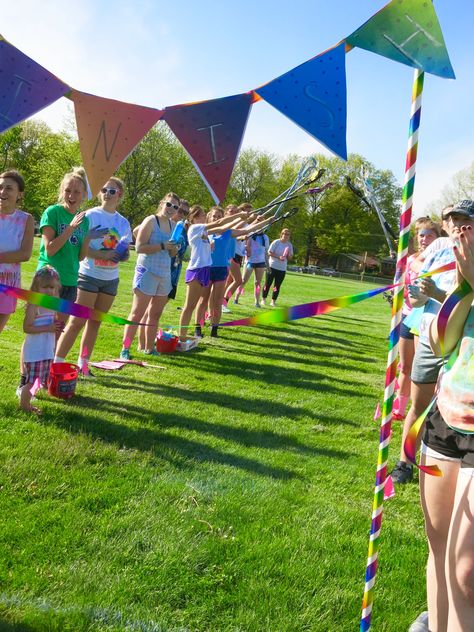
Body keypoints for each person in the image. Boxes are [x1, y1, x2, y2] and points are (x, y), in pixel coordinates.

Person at [412, 202, 474, 632]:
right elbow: (440, 343)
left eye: (468, 224)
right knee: (438, 550)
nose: (461, 233)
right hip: (444, 425)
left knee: (467, 573)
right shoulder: (454, 270)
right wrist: (451, 295)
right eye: (459, 225)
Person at [391, 207, 458, 484]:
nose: (457, 225)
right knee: (418, 406)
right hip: (430, 341)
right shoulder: (439, 247)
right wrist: (415, 293)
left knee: (451, 411)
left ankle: (448, 464)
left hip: (462, 346)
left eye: (465, 220)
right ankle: (405, 462)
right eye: (452, 220)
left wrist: (439, 293)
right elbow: (418, 299)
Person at [54, 178, 132, 375]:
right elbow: (79, 247)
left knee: (95, 322)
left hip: (110, 280)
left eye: (112, 191)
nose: (107, 193)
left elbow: (127, 253)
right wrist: (102, 255)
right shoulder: (89, 215)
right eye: (104, 189)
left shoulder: (123, 223)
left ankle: (84, 364)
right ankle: (57, 363)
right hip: (88, 275)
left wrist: (122, 254)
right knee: (77, 321)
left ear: (120, 194)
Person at [178, 205, 256, 343]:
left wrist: (243, 219)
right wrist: (239, 216)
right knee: (191, 305)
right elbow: (220, 225)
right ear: (194, 218)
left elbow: (222, 228)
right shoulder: (195, 228)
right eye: (203, 215)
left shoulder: (204, 233)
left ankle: (189, 335)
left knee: (198, 303)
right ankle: (183, 336)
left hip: (205, 269)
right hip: (196, 270)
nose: (205, 217)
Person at [194, 206, 271, 338]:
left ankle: (214, 329)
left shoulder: (228, 232)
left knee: (217, 301)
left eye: (219, 216)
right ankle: (198, 328)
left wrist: (267, 221)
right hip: (207, 268)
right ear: (209, 217)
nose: (217, 218)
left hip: (222, 269)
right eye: (214, 216)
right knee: (203, 300)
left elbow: (248, 229)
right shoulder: (205, 230)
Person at [119, 192, 179, 359]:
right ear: (162, 203)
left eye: (175, 207)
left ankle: (149, 348)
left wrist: (174, 248)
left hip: (164, 274)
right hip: (147, 271)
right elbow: (139, 247)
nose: (171, 209)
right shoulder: (151, 220)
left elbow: (173, 252)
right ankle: (125, 349)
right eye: (169, 204)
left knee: (155, 314)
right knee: (137, 313)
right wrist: (161, 245)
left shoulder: (174, 226)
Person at [392, 218, 441, 421]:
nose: (425, 238)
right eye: (421, 234)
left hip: (427, 319)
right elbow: (403, 286)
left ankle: (420, 407)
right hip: (407, 315)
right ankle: (399, 408)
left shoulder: (441, 260)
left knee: (423, 370)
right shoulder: (411, 259)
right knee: (405, 365)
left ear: (438, 238)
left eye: (430, 234)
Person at [37, 167, 90, 303]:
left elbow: (80, 257)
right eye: (67, 191)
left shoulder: (84, 220)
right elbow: (50, 250)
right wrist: (70, 228)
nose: (71, 196)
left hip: (70, 281)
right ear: (62, 191)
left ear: (84, 194)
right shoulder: (53, 212)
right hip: (48, 278)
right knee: (40, 323)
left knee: (60, 325)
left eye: (77, 192)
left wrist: (88, 239)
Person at [19, 266, 63, 414]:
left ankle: (27, 403)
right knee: (32, 381)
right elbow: (27, 328)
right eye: (45, 287)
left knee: (39, 380)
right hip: (35, 351)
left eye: (52, 288)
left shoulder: (51, 306)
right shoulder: (34, 306)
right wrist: (48, 328)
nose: (49, 291)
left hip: (46, 350)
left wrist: (56, 326)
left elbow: (51, 324)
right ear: (36, 288)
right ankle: (24, 405)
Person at [0, 170, 34, 335]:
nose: (2, 192)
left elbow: (25, 254)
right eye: (0, 187)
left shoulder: (26, 219)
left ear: (19, 194)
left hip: (8, 284)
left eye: (8, 188)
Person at [222, 202, 252, 312]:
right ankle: (223, 302)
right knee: (238, 280)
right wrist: (242, 236)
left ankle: (223, 303)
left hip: (239, 254)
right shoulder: (239, 222)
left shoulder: (245, 223)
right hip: (232, 254)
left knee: (228, 282)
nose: (249, 213)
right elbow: (232, 234)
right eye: (247, 211)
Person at [236, 230, 269, 308]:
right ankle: (236, 298)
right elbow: (244, 247)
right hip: (250, 261)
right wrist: (247, 250)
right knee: (243, 281)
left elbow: (266, 251)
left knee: (257, 283)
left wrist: (267, 265)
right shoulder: (250, 235)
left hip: (261, 263)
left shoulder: (265, 237)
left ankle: (256, 302)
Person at [262, 228, 294, 307]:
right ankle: (263, 299)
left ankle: (273, 301)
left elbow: (290, 258)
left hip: (282, 268)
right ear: (281, 234)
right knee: (267, 284)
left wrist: (289, 255)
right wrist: (278, 257)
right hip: (272, 266)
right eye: (285, 234)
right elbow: (269, 252)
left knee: (277, 285)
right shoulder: (276, 242)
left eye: (288, 234)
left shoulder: (289, 245)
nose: (286, 236)